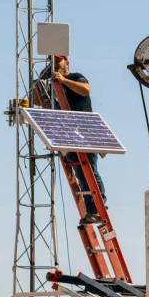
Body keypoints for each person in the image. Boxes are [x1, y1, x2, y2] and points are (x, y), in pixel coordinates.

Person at [36, 55, 106, 224]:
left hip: (85, 131)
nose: (55, 64)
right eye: (52, 62)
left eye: (58, 61)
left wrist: (63, 81)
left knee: (89, 169)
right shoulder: (54, 88)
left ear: (66, 63)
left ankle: (98, 206)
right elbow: (39, 102)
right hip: (69, 135)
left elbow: (86, 90)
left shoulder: (74, 77)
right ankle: (91, 210)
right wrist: (39, 85)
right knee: (80, 174)